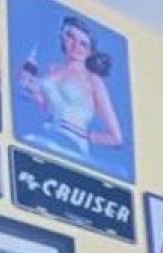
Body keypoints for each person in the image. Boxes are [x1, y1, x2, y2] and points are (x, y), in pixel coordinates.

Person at [18, 15, 124, 163]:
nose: (75, 46)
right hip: (47, 133)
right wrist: (33, 92)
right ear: (62, 36)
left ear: (90, 50)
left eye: (83, 44)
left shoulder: (93, 80)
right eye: (70, 37)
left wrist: (86, 136)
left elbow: (116, 137)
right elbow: (49, 109)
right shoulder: (51, 69)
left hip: (72, 144)